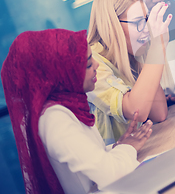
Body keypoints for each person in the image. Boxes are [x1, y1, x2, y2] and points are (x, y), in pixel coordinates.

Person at [1, 29, 153, 194]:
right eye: (87, 63)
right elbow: (111, 175)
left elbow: (88, 165)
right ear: (60, 73)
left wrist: (119, 146)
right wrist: (128, 148)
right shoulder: (55, 120)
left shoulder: (66, 106)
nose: (96, 65)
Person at [87, 0, 172, 144]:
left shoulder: (130, 53)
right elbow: (136, 111)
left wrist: (147, 52)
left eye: (146, 20)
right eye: (139, 22)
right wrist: (157, 46)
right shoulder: (92, 63)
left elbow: (159, 113)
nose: (147, 29)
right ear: (112, 26)